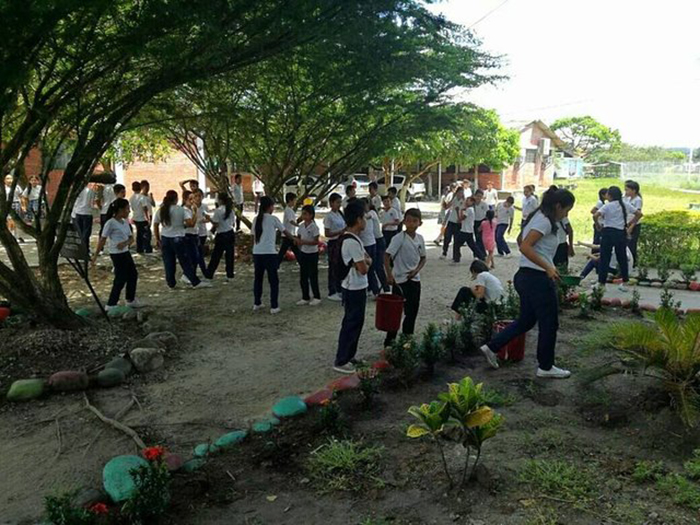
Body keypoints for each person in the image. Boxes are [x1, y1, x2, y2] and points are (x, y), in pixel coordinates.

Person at [479, 186, 576, 379]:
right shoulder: (546, 221)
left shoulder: (538, 216)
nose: (566, 214)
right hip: (536, 279)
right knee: (550, 323)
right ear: (558, 205)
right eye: (566, 210)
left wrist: (548, 265)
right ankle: (546, 366)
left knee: (527, 320)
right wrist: (548, 267)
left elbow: (520, 238)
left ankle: (492, 347)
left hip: (526, 276)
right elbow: (524, 246)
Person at [334, 200, 372, 374]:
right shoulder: (352, 242)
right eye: (364, 217)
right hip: (353, 287)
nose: (366, 220)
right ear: (358, 220)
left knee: (357, 322)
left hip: (357, 286)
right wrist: (366, 262)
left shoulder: (353, 239)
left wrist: (366, 260)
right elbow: (364, 268)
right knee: (351, 322)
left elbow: (366, 259)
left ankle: (350, 355)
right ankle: (341, 359)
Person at [383, 207, 427, 347]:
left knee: (412, 311)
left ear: (420, 223)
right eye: (408, 221)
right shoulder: (398, 238)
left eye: (414, 221)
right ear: (404, 221)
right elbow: (386, 256)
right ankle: (389, 342)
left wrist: (416, 270)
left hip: (414, 280)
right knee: (396, 312)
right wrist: (389, 275)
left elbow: (423, 258)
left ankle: (407, 339)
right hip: (399, 281)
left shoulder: (420, 238)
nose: (411, 224)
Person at [92, 198, 143, 310]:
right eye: (127, 209)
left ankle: (130, 299)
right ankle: (111, 303)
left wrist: (125, 243)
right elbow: (102, 239)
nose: (129, 211)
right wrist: (95, 255)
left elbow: (131, 238)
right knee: (120, 278)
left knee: (133, 274)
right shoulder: (110, 223)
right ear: (120, 209)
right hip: (116, 254)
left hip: (125, 252)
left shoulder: (125, 223)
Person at [154, 190, 211, 290]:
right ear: (176, 199)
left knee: (168, 262)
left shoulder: (161, 210)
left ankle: (171, 282)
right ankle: (195, 282)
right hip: (178, 238)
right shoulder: (180, 210)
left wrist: (157, 238)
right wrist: (195, 213)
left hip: (165, 238)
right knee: (185, 262)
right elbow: (191, 224)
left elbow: (155, 224)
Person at [593, 185, 642, 292]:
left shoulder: (607, 206)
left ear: (610, 196)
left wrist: (598, 225)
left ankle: (601, 283)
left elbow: (595, 215)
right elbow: (639, 214)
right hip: (620, 233)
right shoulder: (625, 205)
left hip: (608, 232)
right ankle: (624, 282)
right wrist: (630, 223)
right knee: (622, 257)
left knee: (605, 258)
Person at [252, 196, 292, 313]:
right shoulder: (273, 219)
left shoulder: (256, 219)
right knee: (273, 280)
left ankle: (257, 302)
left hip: (257, 252)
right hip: (269, 253)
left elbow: (252, 237)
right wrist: (295, 239)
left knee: (258, 279)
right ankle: (274, 305)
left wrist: (253, 250)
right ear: (270, 207)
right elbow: (285, 231)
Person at [205, 192, 236, 282]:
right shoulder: (230, 210)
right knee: (230, 255)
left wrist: (209, 219)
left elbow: (216, 224)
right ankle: (230, 274)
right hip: (230, 233)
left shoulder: (218, 210)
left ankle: (209, 273)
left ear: (221, 200)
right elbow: (233, 223)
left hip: (222, 234)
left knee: (216, 255)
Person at [295, 205, 322, 306]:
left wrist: (304, 242)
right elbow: (298, 237)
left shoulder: (314, 227)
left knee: (313, 275)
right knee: (303, 276)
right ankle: (305, 296)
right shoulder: (301, 226)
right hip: (303, 253)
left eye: (306, 214)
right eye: (303, 214)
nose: (304, 216)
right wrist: (297, 242)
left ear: (311, 215)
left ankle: (316, 296)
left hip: (312, 253)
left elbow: (316, 242)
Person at [324, 192, 346, 302]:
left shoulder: (340, 214)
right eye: (337, 202)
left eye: (340, 202)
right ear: (331, 203)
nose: (339, 205)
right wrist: (339, 232)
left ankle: (339, 288)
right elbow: (327, 233)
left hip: (341, 242)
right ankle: (331, 290)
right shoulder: (329, 216)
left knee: (340, 266)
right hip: (333, 243)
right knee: (333, 266)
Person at [359, 198, 381, 299]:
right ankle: (369, 289)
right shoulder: (362, 217)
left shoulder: (371, 213)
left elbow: (367, 216)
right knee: (367, 268)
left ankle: (376, 290)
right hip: (366, 244)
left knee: (371, 268)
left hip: (371, 243)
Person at [182, 190, 206, 281]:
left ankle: (192, 275)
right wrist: (195, 212)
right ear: (185, 200)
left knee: (197, 257)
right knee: (193, 257)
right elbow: (191, 223)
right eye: (190, 199)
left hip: (195, 234)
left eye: (193, 198)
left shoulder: (191, 209)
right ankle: (187, 275)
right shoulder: (185, 210)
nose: (192, 201)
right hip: (189, 235)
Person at [440, 186, 464, 260]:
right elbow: (447, 206)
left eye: (461, 193)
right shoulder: (454, 199)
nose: (460, 194)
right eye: (459, 192)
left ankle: (456, 254)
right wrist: (445, 200)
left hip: (458, 222)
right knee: (447, 237)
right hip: (451, 221)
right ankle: (444, 252)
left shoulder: (464, 201)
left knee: (457, 240)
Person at [453, 196, 477, 264]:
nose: (466, 202)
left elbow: (461, 218)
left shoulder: (469, 209)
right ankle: (481, 256)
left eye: (468, 201)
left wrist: (458, 211)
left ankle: (457, 259)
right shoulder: (468, 209)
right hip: (467, 230)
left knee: (457, 244)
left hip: (466, 230)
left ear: (472, 202)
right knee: (472, 245)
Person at [624, 180, 643, 266]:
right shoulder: (627, 199)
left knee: (632, 244)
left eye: (627, 190)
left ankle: (633, 262)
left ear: (634, 190)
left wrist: (631, 225)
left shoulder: (637, 200)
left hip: (634, 224)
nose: (626, 192)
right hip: (628, 223)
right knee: (626, 244)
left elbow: (638, 214)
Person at [72, 184, 96, 251]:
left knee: (79, 232)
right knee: (86, 233)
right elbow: (92, 203)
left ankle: (80, 248)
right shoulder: (91, 191)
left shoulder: (77, 191)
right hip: (87, 213)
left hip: (78, 212)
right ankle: (85, 248)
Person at [278, 192, 300, 263]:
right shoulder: (288, 210)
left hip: (290, 233)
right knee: (284, 251)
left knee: (292, 250)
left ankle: (302, 262)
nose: (295, 202)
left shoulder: (290, 210)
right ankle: (276, 263)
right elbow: (291, 221)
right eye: (294, 200)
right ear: (290, 200)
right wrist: (298, 225)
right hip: (288, 234)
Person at [4, 174, 24, 242]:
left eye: (10, 178)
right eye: (7, 179)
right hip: (7, 205)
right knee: (9, 220)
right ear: (4, 180)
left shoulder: (17, 187)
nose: (9, 180)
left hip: (16, 204)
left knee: (15, 220)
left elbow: (21, 196)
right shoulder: (3, 188)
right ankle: (11, 235)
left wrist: (23, 205)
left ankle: (15, 235)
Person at [472, 189, 489, 260]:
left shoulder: (484, 204)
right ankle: (478, 254)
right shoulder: (472, 204)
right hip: (474, 221)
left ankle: (481, 253)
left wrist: (485, 223)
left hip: (482, 221)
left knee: (480, 238)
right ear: (475, 196)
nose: (478, 198)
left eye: (480, 196)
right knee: (477, 238)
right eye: (477, 196)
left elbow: (487, 214)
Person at [139, 180, 155, 253]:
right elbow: (144, 208)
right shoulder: (141, 197)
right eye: (146, 187)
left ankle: (146, 246)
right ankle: (146, 247)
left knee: (148, 231)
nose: (148, 189)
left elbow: (153, 204)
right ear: (142, 187)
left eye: (148, 187)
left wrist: (152, 197)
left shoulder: (148, 195)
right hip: (145, 216)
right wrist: (147, 217)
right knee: (146, 232)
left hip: (150, 214)